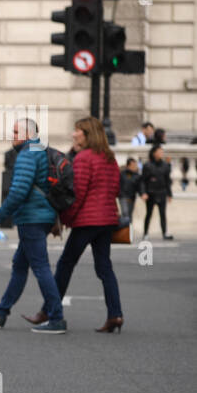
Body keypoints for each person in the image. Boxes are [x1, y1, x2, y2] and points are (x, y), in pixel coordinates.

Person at [23, 117, 123, 333]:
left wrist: (63, 220)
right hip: (107, 220)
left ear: (87, 134)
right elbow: (116, 189)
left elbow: (76, 194)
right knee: (105, 268)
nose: (73, 134)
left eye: (77, 130)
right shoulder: (109, 158)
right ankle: (115, 314)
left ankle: (49, 311)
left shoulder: (84, 158)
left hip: (87, 220)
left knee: (65, 264)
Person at [0, 118, 65, 333]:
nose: (12, 135)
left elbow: (18, 192)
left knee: (40, 267)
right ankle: (1, 312)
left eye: (16, 132)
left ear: (28, 135)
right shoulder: (40, 150)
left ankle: (57, 318)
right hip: (39, 216)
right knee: (20, 265)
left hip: (32, 218)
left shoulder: (28, 154)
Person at [139, 142, 173, 240]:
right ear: (154, 153)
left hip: (162, 192)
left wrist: (169, 194)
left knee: (163, 214)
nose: (161, 153)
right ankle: (145, 233)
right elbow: (143, 181)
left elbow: (167, 180)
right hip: (151, 193)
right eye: (159, 151)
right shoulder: (148, 165)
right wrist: (143, 193)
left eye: (162, 151)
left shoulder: (165, 165)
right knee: (149, 214)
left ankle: (164, 232)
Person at [119, 157, 140, 224]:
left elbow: (140, 186)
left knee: (129, 214)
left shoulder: (137, 176)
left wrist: (142, 193)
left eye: (135, 165)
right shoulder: (122, 174)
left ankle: (129, 232)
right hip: (123, 196)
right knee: (125, 213)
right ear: (128, 166)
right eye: (133, 165)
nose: (135, 167)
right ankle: (125, 231)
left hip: (132, 197)